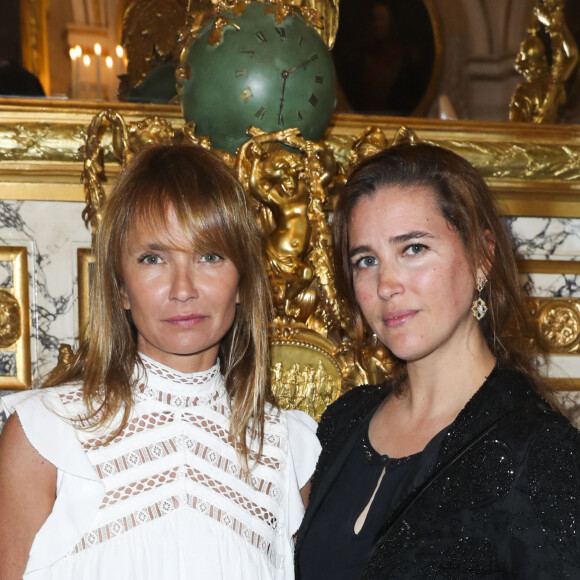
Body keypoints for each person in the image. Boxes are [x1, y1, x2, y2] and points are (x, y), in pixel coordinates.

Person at [0, 144, 320, 579]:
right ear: (120, 288)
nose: (183, 288)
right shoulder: (44, 435)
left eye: (210, 256)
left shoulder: (291, 449)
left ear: (242, 281)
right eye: (153, 259)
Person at [295, 142, 580, 578]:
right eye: (366, 260)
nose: (387, 284)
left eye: (413, 249)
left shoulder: (540, 451)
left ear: (482, 257)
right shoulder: (343, 422)